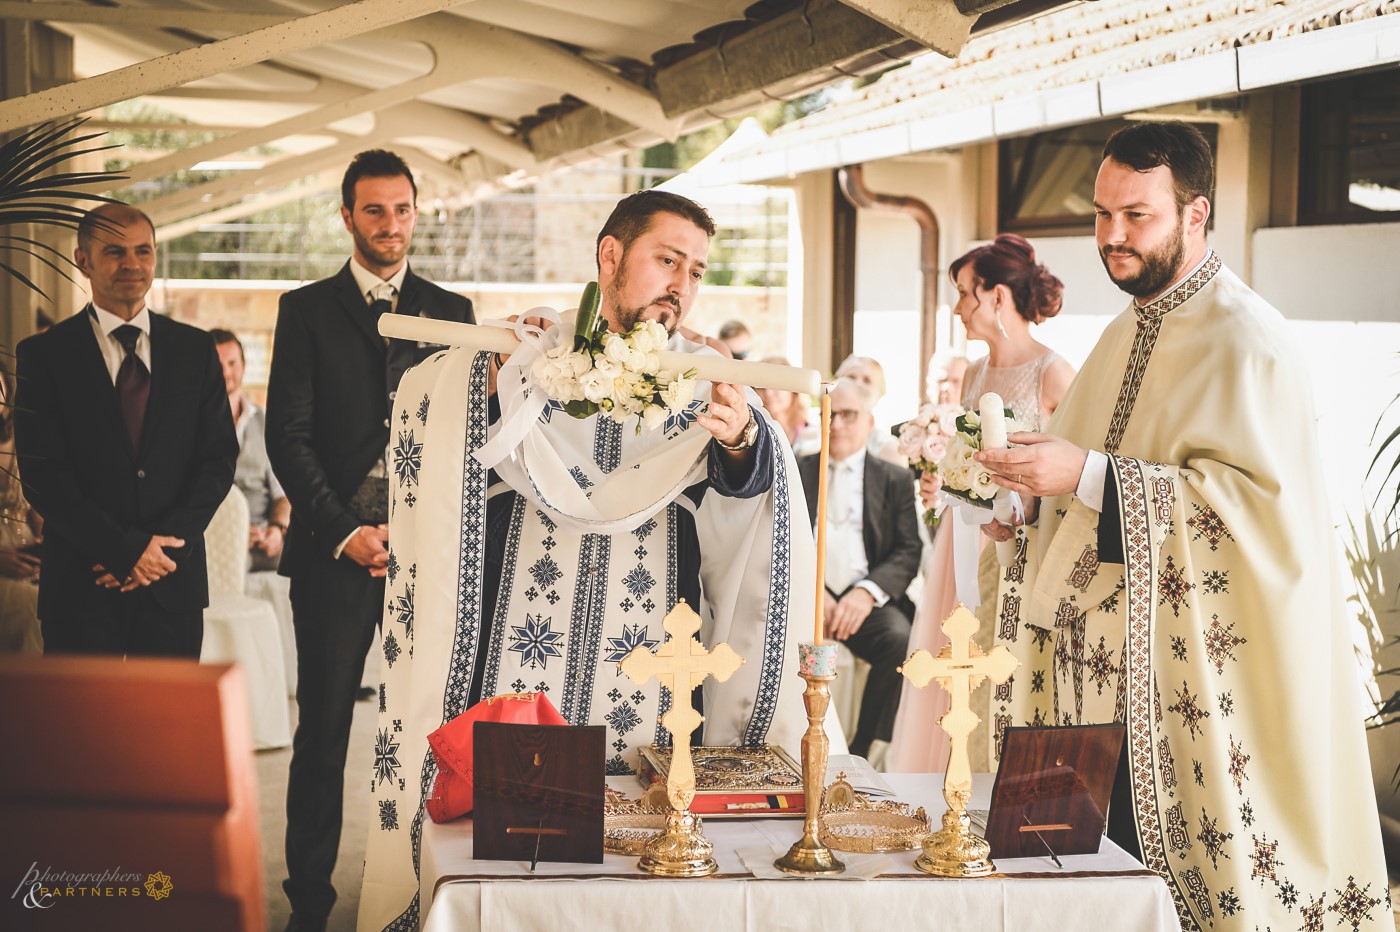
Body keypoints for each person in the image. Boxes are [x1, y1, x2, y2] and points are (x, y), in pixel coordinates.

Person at [360, 190, 814, 929]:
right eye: (667, 260)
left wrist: (740, 442)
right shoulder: (532, 351)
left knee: (643, 866)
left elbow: (759, 495)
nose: (682, 285)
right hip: (519, 651)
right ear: (610, 256)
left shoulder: (702, 372)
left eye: (695, 270)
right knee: (518, 861)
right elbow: (433, 427)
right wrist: (480, 386)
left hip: (651, 656)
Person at [977, 122, 1387, 930]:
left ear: (1196, 213)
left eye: (1137, 216)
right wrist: (1032, 510)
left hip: (1188, 688)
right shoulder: (1120, 333)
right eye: (1101, 214)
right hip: (1103, 686)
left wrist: (1088, 476)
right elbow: (1087, 485)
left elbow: (1262, 522)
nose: (1112, 237)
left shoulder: (1251, 341)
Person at [265, 149, 474, 932]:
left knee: (437, 727)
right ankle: (308, 908)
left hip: (429, 562)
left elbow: (465, 435)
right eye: (374, 211)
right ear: (347, 216)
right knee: (322, 734)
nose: (391, 224)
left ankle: (426, 895)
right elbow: (288, 437)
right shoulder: (306, 309)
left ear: (418, 211)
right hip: (335, 555)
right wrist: (345, 530)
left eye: (402, 208)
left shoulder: (453, 310)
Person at [13, 203, 238, 658]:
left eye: (143, 251)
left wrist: (156, 555)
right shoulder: (44, 356)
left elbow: (217, 460)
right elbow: (44, 477)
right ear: (83, 259)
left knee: (166, 727)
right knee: (81, 729)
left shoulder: (195, 350)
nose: (132, 264)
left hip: (171, 583)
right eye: (115, 252)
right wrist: (124, 551)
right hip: (80, 586)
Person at [887, 234, 1073, 773]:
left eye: (966, 294)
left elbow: (1072, 473)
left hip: (1019, 552)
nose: (958, 308)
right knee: (949, 667)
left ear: (996, 297)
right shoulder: (972, 373)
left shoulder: (1054, 373)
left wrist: (1020, 511)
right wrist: (939, 485)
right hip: (961, 543)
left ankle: (993, 776)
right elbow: (963, 463)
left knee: (998, 670)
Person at [797, 377, 922, 759]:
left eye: (848, 415)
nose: (835, 424)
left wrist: (866, 593)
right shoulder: (796, 470)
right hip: (806, 599)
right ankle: (789, 743)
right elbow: (777, 542)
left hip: (862, 601)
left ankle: (862, 748)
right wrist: (815, 593)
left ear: (869, 421)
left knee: (900, 639)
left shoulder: (894, 478)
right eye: (829, 414)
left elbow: (908, 549)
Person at [211, 329, 290, 572]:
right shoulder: (190, 427)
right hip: (211, 537)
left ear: (243, 366)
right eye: (217, 364)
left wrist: (277, 530)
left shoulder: (267, 424)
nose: (226, 372)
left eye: (232, 363)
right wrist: (228, 531)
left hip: (261, 536)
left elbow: (282, 494)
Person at [0, 369, 42, 653]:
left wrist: (45, 541)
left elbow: (37, 507)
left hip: (28, 553)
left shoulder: (22, 438)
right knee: (34, 605)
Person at [834, 354, 903, 463]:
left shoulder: (890, 449)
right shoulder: (811, 442)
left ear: (880, 392)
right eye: (851, 378)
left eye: (867, 380)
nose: (857, 385)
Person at [754, 355, 810, 448]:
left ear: (793, 389)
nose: (768, 393)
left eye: (775, 384)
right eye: (761, 387)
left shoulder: (813, 436)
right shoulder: (751, 435)